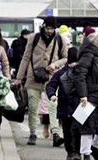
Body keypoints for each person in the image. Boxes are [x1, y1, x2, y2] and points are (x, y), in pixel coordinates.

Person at [13, 16, 68, 147]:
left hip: (51, 78)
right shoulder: (34, 38)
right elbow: (26, 57)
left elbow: (65, 58)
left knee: (53, 106)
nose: (49, 31)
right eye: (48, 28)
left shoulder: (60, 39)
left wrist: (55, 64)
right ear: (43, 26)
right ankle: (32, 133)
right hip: (33, 77)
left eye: (52, 28)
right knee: (32, 107)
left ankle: (55, 134)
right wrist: (19, 78)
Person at [46, 47, 80, 160]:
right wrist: (52, 95)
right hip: (65, 105)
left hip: (78, 105)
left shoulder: (81, 72)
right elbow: (51, 85)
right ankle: (70, 150)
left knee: (77, 129)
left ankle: (77, 151)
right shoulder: (60, 73)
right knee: (67, 130)